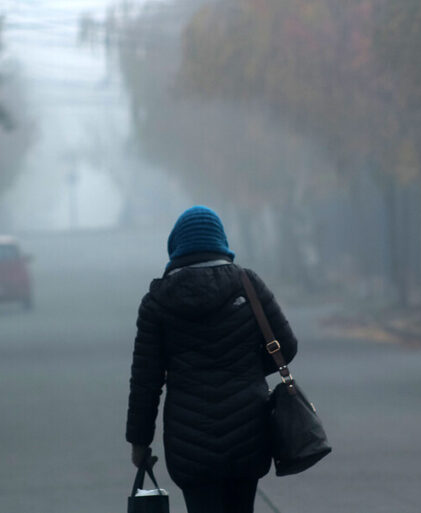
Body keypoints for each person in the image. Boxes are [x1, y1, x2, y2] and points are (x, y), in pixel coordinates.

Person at [125, 205, 298, 513]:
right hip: (249, 432)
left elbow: (145, 382)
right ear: (221, 242)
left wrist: (140, 442)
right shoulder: (248, 285)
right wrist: (247, 370)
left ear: (176, 247)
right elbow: (286, 346)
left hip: (189, 441)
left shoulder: (156, 301)